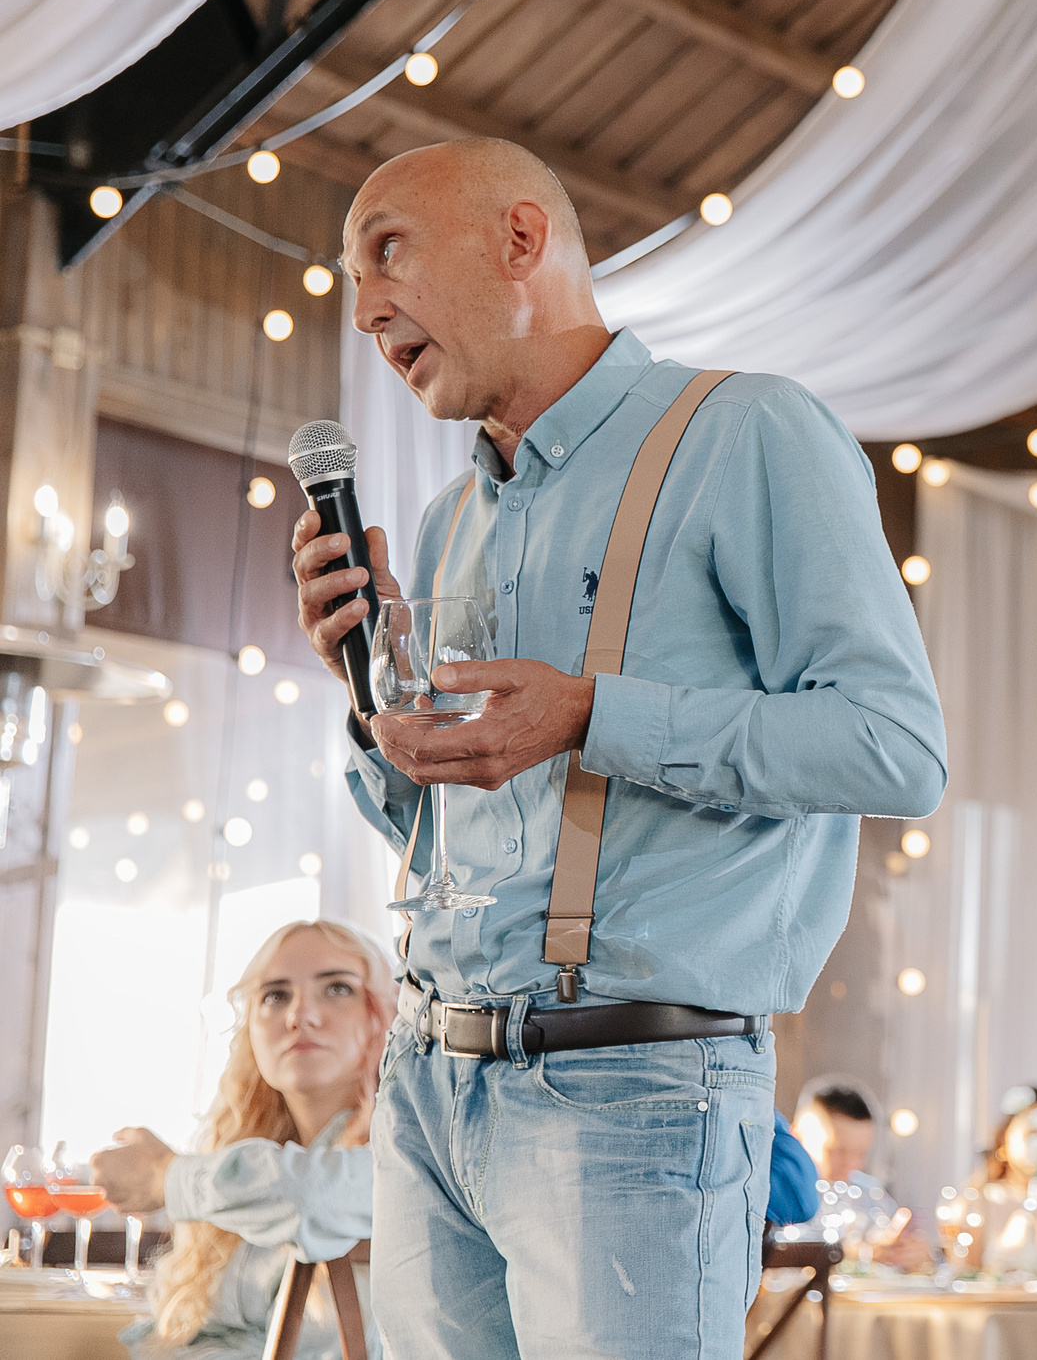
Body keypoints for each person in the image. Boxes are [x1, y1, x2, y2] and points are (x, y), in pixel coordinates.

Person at [291, 139, 947, 1359]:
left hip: (634, 1089)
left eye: (387, 250)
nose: (365, 303)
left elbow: (895, 747)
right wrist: (361, 692)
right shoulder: (446, 523)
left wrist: (596, 712)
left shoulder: (745, 432)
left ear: (520, 242)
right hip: (429, 1081)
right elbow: (436, 826)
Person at [92, 919, 395, 1357]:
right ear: (250, 1029)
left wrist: (168, 1177)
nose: (300, 1016)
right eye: (276, 995)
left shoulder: (408, 1139)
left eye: (338, 989)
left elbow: (319, 1195)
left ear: (381, 1015)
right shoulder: (244, 1162)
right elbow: (205, 1335)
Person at [791, 1077, 931, 1268]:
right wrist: (858, 1252)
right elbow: (781, 1252)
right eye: (836, 1151)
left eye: (860, 1153)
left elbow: (895, 1244)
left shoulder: (870, 1194)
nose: (850, 1164)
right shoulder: (779, 1193)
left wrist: (913, 1255)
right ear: (797, 1135)